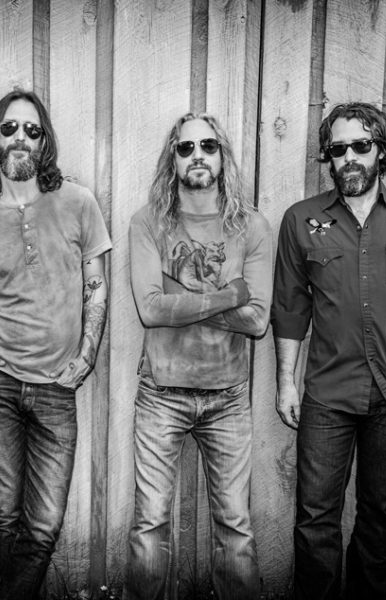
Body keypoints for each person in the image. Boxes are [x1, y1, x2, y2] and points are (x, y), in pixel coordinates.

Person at [0, 89, 111, 599]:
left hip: (57, 385)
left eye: (32, 129)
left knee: (43, 524)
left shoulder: (79, 202)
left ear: (45, 142)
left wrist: (87, 355)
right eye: (10, 128)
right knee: (7, 514)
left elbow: (96, 284)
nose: (20, 137)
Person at [125, 112, 272, 600]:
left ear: (221, 155)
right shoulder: (148, 221)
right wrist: (229, 295)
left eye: (207, 146)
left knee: (235, 525)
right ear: (173, 159)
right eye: (185, 148)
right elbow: (150, 310)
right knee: (150, 523)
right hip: (161, 393)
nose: (197, 156)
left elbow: (258, 321)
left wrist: (179, 297)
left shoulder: (250, 226)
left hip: (228, 397)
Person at [273, 102, 386, 599]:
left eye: (360, 146)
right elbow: (290, 307)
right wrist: (286, 383)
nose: (349, 157)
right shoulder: (301, 219)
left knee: (382, 516)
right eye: (338, 149)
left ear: (381, 151)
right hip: (327, 394)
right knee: (315, 518)